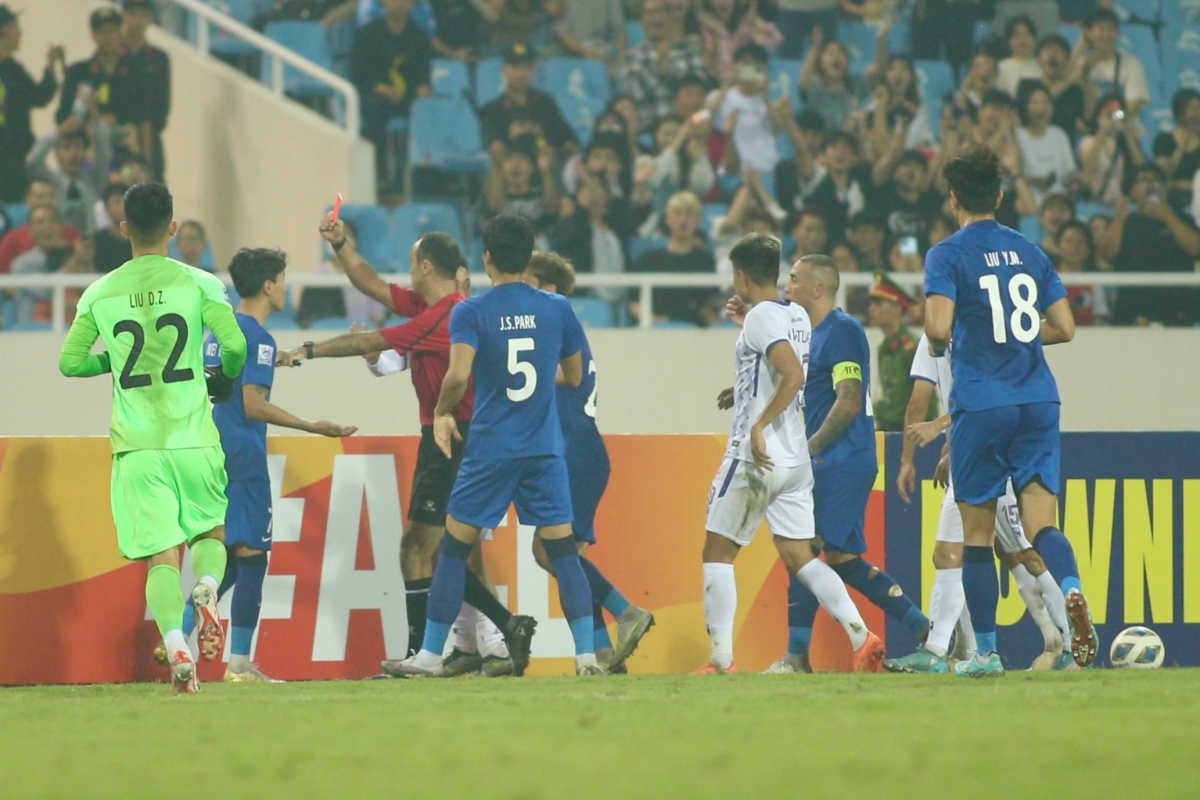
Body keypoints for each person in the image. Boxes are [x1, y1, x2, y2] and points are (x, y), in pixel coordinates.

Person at [278, 215, 535, 675]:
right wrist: (341, 245)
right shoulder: (430, 305)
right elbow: (371, 283)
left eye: (413, 260)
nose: (407, 267)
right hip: (464, 437)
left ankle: (430, 652)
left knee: (417, 549)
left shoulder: (444, 317)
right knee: (455, 552)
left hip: (451, 436)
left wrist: (308, 350)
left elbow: (373, 340)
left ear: (427, 266)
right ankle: (492, 639)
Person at [381, 214, 602, 677]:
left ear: (486, 258)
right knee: (564, 553)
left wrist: (442, 413)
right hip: (543, 450)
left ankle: (428, 656)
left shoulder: (471, 311)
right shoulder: (556, 308)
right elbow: (576, 376)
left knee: (453, 551)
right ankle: (585, 658)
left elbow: (458, 375)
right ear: (528, 257)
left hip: (490, 450)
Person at [58, 182, 248, 694]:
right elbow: (233, 345)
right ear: (171, 226)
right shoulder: (201, 282)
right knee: (211, 535)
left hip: (138, 446)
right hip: (194, 437)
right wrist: (223, 378)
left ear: (124, 229)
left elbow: (70, 363)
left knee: (161, 558)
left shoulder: (100, 292)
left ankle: (177, 645)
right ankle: (207, 590)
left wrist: (113, 364)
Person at [922, 146, 1096, 677]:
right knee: (1042, 524)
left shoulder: (947, 254)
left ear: (954, 199)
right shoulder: (1029, 250)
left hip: (983, 400)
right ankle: (1070, 588)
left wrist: (982, 340)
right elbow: (1065, 326)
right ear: (999, 196)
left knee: (977, 534)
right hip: (1039, 398)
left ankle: (988, 655)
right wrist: (1016, 337)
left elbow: (935, 329)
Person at [158, 249, 357, 683]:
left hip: (209, 449)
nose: (286, 287)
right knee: (253, 559)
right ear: (268, 285)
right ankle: (240, 665)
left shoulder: (218, 331)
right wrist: (312, 426)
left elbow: (230, 379)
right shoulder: (259, 339)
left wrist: (279, 358)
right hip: (244, 455)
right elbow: (253, 404)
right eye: (283, 279)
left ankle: (182, 630)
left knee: (226, 555)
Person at [700, 236, 885, 675]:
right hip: (796, 462)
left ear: (742, 276)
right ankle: (863, 636)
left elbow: (793, 372)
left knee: (717, 552)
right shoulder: (795, 313)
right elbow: (776, 358)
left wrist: (758, 424)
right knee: (801, 558)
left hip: (756, 459)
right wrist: (744, 388)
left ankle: (720, 661)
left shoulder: (764, 316)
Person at [756, 254, 928, 673]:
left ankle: (797, 657)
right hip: (833, 459)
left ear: (817, 289)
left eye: (794, 280)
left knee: (804, 550)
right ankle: (928, 630)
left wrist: (809, 450)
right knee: (842, 560)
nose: (786, 286)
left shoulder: (844, 332)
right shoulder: (807, 334)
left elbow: (848, 400)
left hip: (841, 460)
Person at [886, 331, 1075, 673]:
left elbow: (941, 402)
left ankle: (947, 650)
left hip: (981, 449)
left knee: (1001, 552)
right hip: (979, 444)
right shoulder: (952, 335)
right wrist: (949, 443)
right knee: (1007, 551)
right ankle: (1054, 640)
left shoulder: (962, 337)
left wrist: (929, 441)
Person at [523, 252, 655, 672]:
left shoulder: (555, 330)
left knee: (549, 552)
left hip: (573, 452)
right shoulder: (560, 331)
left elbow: (559, 376)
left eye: (524, 281)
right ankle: (602, 653)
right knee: (566, 562)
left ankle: (627, 611)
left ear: (548, 290)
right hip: (582, 451)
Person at [1098, 164, 1200, 326]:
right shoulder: (1125, 222)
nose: (1151, 184)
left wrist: (1167, 216)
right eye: (1143, 180)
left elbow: (1195, 249)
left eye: (1156, 180)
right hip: (1132, 309)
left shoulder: (1182, 219)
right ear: (1132, 190)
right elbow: (1106, 254)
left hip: (1175, 309)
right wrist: (1120, 218)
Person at [351, 0, 433, 187]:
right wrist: (378, 87)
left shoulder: (419, 36)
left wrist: (423, 88)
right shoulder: (367, 33)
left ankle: (419, 178)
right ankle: (378, 176)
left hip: (409, 97)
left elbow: (424, 75)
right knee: (373, 111)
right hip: (378, 96)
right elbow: (358, 72)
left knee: (426, 111)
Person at [0, 5, 63, 203]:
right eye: (16, 27)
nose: (20, 33)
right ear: (6, 30)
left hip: (18, 153)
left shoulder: (13, 69)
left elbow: (38, 97)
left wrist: (50, 67)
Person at [629, 190, 718, 325]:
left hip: (695, 336)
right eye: (677, 213)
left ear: (698, 220)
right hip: (657, 333)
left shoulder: (705, 260)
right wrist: (653, 321)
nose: (683, 220)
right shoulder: (648, 260)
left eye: (689, 214)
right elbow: (634, 302)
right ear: (667, 219)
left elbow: (706, 305)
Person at [618, 0, 707, 133]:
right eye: (649, 13)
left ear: (671, 16)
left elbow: (699, 90)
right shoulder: (632, 58)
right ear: (642, 21)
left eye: (660, 11)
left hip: (691, 129)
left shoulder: (690, 49)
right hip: (654, 133)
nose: (655, 19)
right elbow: (637, 103)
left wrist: (666, 71)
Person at [479, 43, 577, 163]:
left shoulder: (545, 103)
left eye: (526, 67)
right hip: (512, 167)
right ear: (504, 70)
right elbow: (495, 145)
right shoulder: (494, 108)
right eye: (515, 67)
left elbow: (566, 138)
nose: (521, 74)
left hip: (547, 165)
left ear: (533, 70)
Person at [868, 272, 933, 433]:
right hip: (888, 428)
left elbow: (926, 399)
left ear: (897, 308)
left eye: (878, 303)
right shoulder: (885, 347)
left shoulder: (911, 347)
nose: (871, 308)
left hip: (909, 431)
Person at [26, 120, 114, 236]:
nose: (73, 153)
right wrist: (58, 132)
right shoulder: (50, 180)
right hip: (58, 242)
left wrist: (96, 121)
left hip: (89, 242)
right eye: (66, 148)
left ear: (85, 152)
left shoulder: (93, 180)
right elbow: (32, 162)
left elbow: (104, 155)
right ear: (57, 153)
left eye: (78, 147)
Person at [10, 205, 95, 325]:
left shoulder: (72, 256)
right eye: (40, 222)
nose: (47, 227)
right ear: (29, 230)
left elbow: (89, 292)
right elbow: (46, 291)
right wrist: (73, 262)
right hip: (32, 331)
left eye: (53, 221)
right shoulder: (22, 264)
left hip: (72, 330)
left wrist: (86, 263)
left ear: (61, 226)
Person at [56, 7, 135, 127]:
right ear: (93, 35)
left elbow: (142, 115)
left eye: (112, 31)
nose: (107, 37)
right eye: (101, 31)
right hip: (85, 140)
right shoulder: (78, 72)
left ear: (121, 34)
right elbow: (62, 115)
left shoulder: (134, 72)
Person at [121, 0, 171, 180]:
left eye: (143, 15)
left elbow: (163, 104)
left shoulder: (159, 59)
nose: (137, 20)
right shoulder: (112, 55)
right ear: (124, 16)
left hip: (151, 138)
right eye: (132, 14)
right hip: (119, 136)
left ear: (150, 18)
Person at [1075, 8, 1150, 119]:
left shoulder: (1132, 64)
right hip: (1088, 130)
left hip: (1120, 128)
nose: (1106, 34)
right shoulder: (1080, 63)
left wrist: (1114, 119)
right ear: (1089, 33)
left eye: (1111, 29)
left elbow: (1132, 108)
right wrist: (1080, 47)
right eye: (1100, 29)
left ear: (1117, 34)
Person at [1015, 82, 1077, 209]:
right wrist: (1036, 182)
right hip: (1031, 204)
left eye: (1046, 102)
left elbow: (1070, 172)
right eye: (1035, 103)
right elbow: (1013, 175)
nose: (1041, 108)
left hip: (1061, 204)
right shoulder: (1017, 135)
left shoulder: (1059, 134)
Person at [0, 180, 83, 274]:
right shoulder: (12, 239)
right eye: (40, 196)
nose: (46, 201)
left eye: (51, 196)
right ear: (27, 200)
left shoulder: (72, 234)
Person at [1016, 34, 1086, 140]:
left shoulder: (1073, 91)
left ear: (1066, 60)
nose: (1053, 54)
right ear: (1038, 58)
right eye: (1047, 49)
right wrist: (1069, 80)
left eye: (1059, 51)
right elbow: (1034, 107)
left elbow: (1085, 121)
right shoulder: (1027, 85)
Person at [799, 31, 870, 134]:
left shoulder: (855, 86)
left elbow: (877, 72)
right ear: (820, 61)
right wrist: (816, 47)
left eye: (840, 53)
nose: (835, 57)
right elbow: (804, 82)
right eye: (829, 53)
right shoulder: (815, 89)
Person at [698, 0, 781, 83]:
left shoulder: (747, 22)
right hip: (716, 84)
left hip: (747, 82)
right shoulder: (703, 26)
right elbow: (706, 64)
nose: (722, 2)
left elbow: (775, 41)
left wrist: (755, 25)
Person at [1152, 88, 1200, 213]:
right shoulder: (1164, 139)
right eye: (1191, 108)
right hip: (1170, 200)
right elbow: (1165, 173)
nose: (1195, 113)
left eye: (1198, 108)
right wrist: (1181, 148)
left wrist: (1188, 185)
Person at [1055, 219, 1108, 326]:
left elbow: (1098, 320)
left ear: (1088, 248)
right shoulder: (1045, 278)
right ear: (1058, 246)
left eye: (1080, 242)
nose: (1074, 247)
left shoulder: (1094, 282)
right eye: (1069, 241)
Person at [92, 183, 133, 273]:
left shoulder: (142, 238)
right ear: (107, 208)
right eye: (117, 202)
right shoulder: (97, 241)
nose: (123, 207)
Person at [996, 15, 1041, 98]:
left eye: (1027, 34)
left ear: (1034, 40)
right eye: (1017, 35)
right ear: (1009, 42)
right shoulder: (1001, 67)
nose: (1022, 39)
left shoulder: (1042, 65)